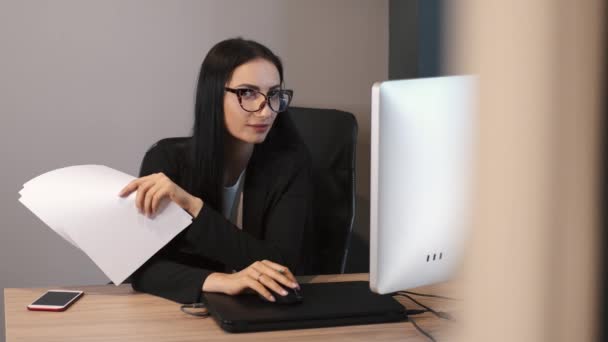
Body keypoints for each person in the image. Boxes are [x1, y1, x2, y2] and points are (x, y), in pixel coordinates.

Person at [118, 38, 313, 304]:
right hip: (181, 312)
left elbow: (281, 267)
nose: (266, 110)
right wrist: (225, 281)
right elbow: (142, 269)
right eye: (247, 93)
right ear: (213, 95)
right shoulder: (166, 160)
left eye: (274, 94)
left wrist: (192, 207)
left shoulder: (289, 164)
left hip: (260, 309)